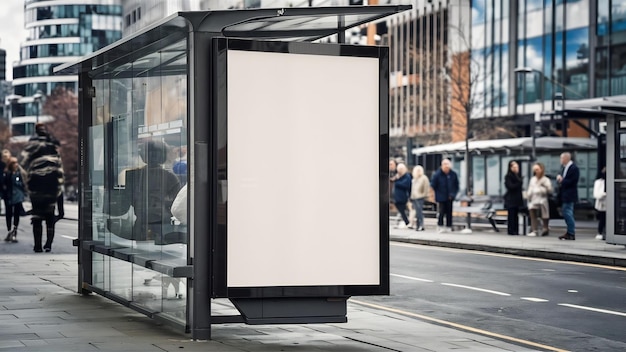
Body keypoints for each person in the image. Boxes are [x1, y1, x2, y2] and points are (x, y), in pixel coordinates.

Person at [126, 140, 181, 244]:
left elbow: (130, 200)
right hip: (157, 224)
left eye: (155, 152)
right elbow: (176, 204)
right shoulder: (170, 177)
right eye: (150, 152)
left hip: (151, 223)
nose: (152, 155)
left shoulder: (133, 175)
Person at [20, 123, 64, 252]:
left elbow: (23, 164)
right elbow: (59, 166)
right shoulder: (53, 144)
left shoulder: (31, 145)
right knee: (50, 216)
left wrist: (27, 183)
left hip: (37, 186)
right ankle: (48, 244)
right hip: (51, 184)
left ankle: (37, 245)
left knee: (37, 217)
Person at [430, 159, 459, 232]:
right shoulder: (437, 174)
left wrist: (453, 194)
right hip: (441, 196)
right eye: (444, 164)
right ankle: (440, 225)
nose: (446, 166)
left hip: (450, 197)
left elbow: (456, 185)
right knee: (441, 212)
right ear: (442, 165)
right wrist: (433, 195)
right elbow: (433, 185)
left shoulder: (453, 174)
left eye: (447, 164)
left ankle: (449, 226)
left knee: (449, 212)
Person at [557, 152, 579, 240]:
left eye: (561, 158)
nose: (560, 160)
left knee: (568, 213)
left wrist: (562, 180)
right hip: (565, 194)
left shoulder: (573, 168)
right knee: (566, 212)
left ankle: (571, 232)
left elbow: (572, 181)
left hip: (570, 194)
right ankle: (569, 232)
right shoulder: (565, 168)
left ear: (566, 158)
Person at [3, 157, 26, 243]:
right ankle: (9, 230)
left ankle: (14, 231)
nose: (16, 164)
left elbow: (23, 184)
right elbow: (4, 185)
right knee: (8, 214)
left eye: (16, 163)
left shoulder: (19, 173)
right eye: (14, 163)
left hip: (18, 197)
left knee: (16, 214)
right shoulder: (7, 174)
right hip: (9, 197)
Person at [526, 162, 552, 237]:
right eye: (535, 170)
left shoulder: (545, 180)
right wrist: (528, 195)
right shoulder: (533, 179)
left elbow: (549, 190)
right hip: (534, 199)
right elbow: (530, 188)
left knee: (544, 213)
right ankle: (534, 230)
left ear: (541, 169)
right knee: (532, 213)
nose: (536, 171)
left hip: (542, 199)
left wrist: (542, 189)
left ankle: (545, 228)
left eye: (537, 169)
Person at [504, 160, 524, 236]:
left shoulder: (518, 176)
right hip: (511, 199)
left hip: (517, 199)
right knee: (511, 215)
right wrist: (518, 183)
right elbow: (510, 186)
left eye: (517, 167)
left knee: (516, 215)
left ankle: (516, 230)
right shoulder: (508, 176)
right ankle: (511, 230)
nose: (516, 168)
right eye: (514, 167)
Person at [410, 165, 430, 231]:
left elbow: (426, 187)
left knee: (419, 212)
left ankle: (421, 225)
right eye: (417, 170)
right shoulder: (414, 179)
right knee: (416, 212)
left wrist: (424, 195)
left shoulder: (424, 178)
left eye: (419, 170)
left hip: (420, 196)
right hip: (414, 197)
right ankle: (418, 225)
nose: (418, 172)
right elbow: (412, 188)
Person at [393, 163, 412, 229]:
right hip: (397, 197)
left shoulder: (407, 176)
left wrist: (397, 182)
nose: (399, 171)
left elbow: (406, 185)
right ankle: (403, 222)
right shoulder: (398, 176)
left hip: (403, 197)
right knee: (401, 210)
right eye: (398, 169)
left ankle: (407, 222)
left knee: (402, 210)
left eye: (401, 169)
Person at [593, 167, 607, 240]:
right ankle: (600, 232)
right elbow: (596, 194)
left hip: (610, 204)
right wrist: (605, 194)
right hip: (602, 204)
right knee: (602, 219)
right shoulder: (598, 182)